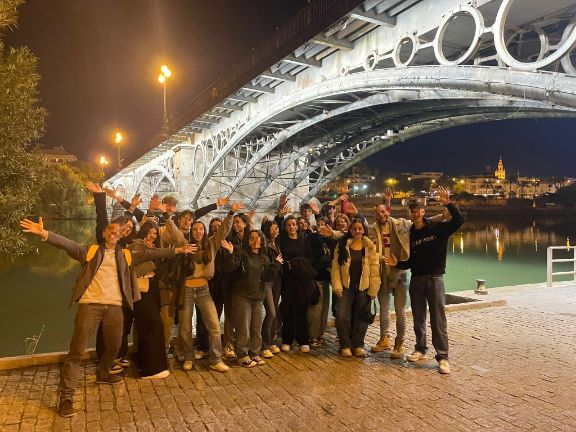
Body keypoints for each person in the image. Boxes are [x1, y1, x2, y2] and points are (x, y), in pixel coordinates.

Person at [19, 217, 192, 417]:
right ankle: (66, 397)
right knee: (77, 351)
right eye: (110, 231)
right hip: (90, 305)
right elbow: (67, 243)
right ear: (104, 234)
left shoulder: (127, 255)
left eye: (117, 232)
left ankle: (103, 372)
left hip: (115, 307)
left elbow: (152, 252)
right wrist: (44, 234)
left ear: (120, 236)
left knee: (114, 346)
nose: (113, 234)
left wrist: (178, 250)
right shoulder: (90, 251)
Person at [385, 187, 463, 374]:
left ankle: (443, 357)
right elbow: (411, 261)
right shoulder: (411, 233)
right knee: (418, 318)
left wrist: (449, 204)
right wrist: (399, 263)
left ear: (423, 211)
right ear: (411, 214)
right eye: (412, 211)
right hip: (417, 279)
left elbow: (459, 221)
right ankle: (420, 349)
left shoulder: (438, 228)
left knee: (438, 319)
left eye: (418, 210)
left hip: (435, 278)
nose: (416, 213)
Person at [176, 201, 244, 372]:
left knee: (214, 324)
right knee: (184, 328)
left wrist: (230, 213)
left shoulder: (211, 244)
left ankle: (215, 359)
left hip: (204, 290)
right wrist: (166, 217)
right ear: (191, 232)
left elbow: (223, 231)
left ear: (204, 231)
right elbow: (172, 231)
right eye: (194, 229)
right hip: (187, 290)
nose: (198, 232)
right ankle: (189, 357)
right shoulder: (185, 244)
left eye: (201, 229)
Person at [222, 230, 283, 367]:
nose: (255, 241)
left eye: (258, 238)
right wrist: (231, 254)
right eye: (252, 238)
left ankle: (254, 353)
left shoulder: (264, 258)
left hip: (258, 296)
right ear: (248, 241)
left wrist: (276, 265)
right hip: (242, 296)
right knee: (243, 328)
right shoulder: (242, 254)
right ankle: (242, 355)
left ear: (262, 241)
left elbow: (268, 278)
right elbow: (229, 268)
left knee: (256, 327)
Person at [331, 218, 380, 357]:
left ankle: (358, 344)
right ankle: (345, 344)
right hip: (346, 286)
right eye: (354, 229)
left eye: (360, 228)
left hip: (363, 287)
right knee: (341, 316)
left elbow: (375, 268)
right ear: (350, 230)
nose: (357, 231)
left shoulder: (370, 246)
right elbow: (335, 268)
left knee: (362, 317)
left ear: (364, 230)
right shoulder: (342, 245)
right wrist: (337, 286)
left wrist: (373, 289)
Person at [260, 219, 282, 357]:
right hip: (268, 282)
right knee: (271, 312)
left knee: (273, 311)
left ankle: (271, 340)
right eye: (274, 228)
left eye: (277, 228)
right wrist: (276, 263)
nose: (276, 231)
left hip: (277, 281)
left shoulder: (276, 243)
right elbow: (266, 264)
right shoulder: (266, 244)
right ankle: (265, 344)